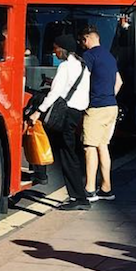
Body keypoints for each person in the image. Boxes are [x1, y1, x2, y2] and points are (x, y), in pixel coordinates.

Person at [29, 34, 90, 207]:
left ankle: (78, 197)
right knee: (68, 151)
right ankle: (77, 195)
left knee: (64, 152)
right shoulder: (83, 66)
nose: (54, 52)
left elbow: (55, 93)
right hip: (76, 112)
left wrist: (38, 112)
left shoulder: (65, 67)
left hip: (66, 113)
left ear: (62, 49)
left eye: (55, 48)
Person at [79, 24, 122, 202]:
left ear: (87, 38)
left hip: (96, 107)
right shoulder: (110, 57)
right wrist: (108, 95)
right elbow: (119, 81)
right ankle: (106, 188)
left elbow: (81, 80)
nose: (82, 44)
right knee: (102, 146)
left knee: (89, 147)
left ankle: (89, 189)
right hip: (111, 105)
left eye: (82, 40)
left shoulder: (89, 56)